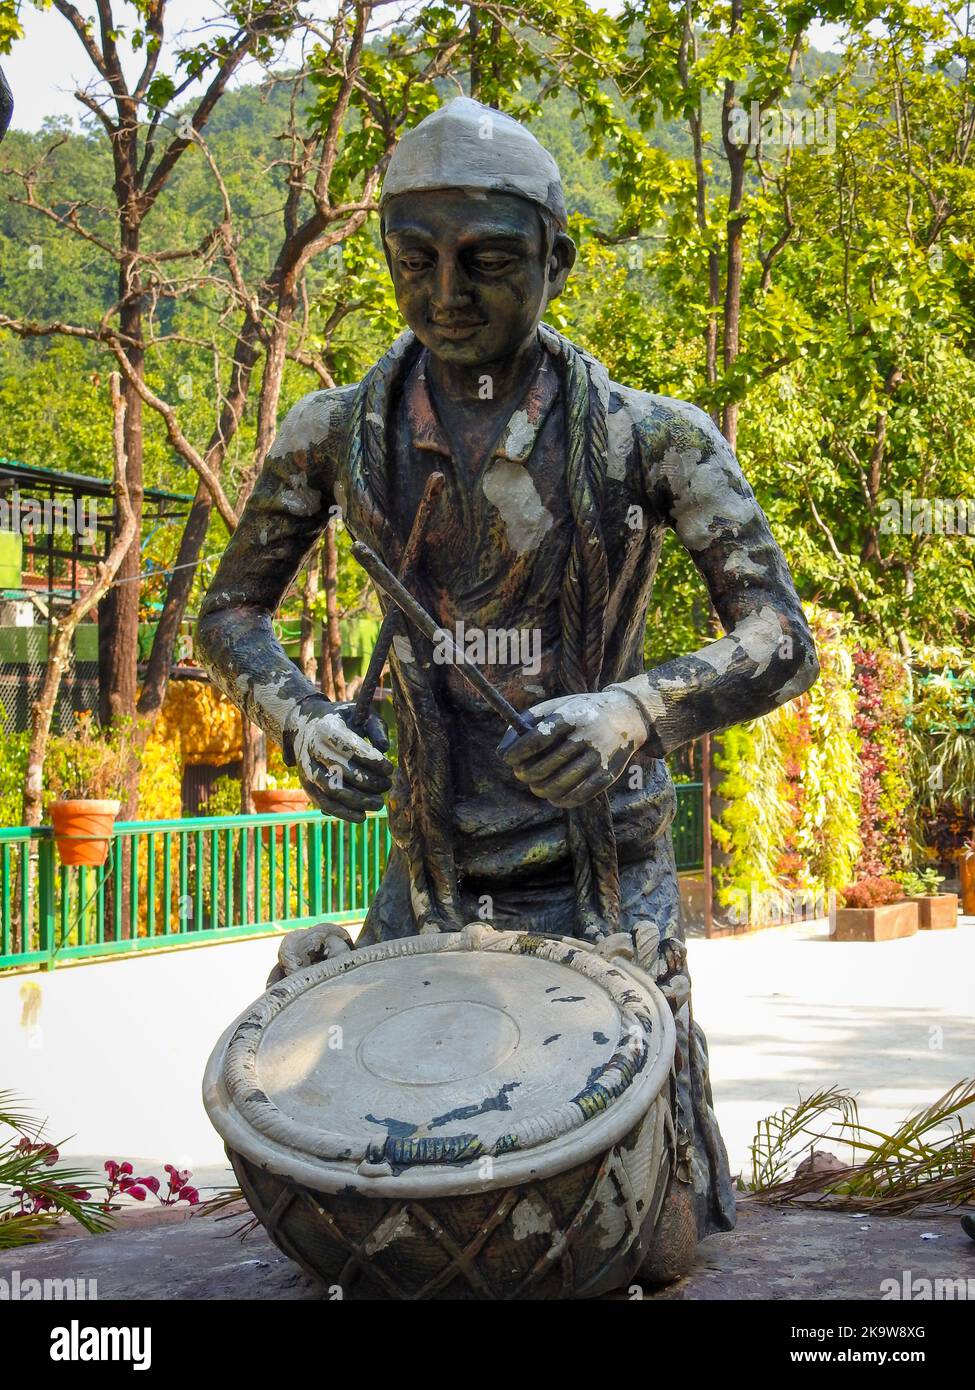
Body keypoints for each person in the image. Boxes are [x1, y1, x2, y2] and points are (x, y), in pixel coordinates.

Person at [197, 98, 819, 1242]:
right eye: (413, 260)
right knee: (396, 1202)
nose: (446, 293)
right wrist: (301, 721)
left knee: (647, 1238)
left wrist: (635, 709)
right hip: (424, 878)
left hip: (600, 876)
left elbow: (782, 639)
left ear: (557, 260)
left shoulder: (648, 437)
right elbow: (229, 613)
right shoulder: (334, 435)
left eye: (486, 261)